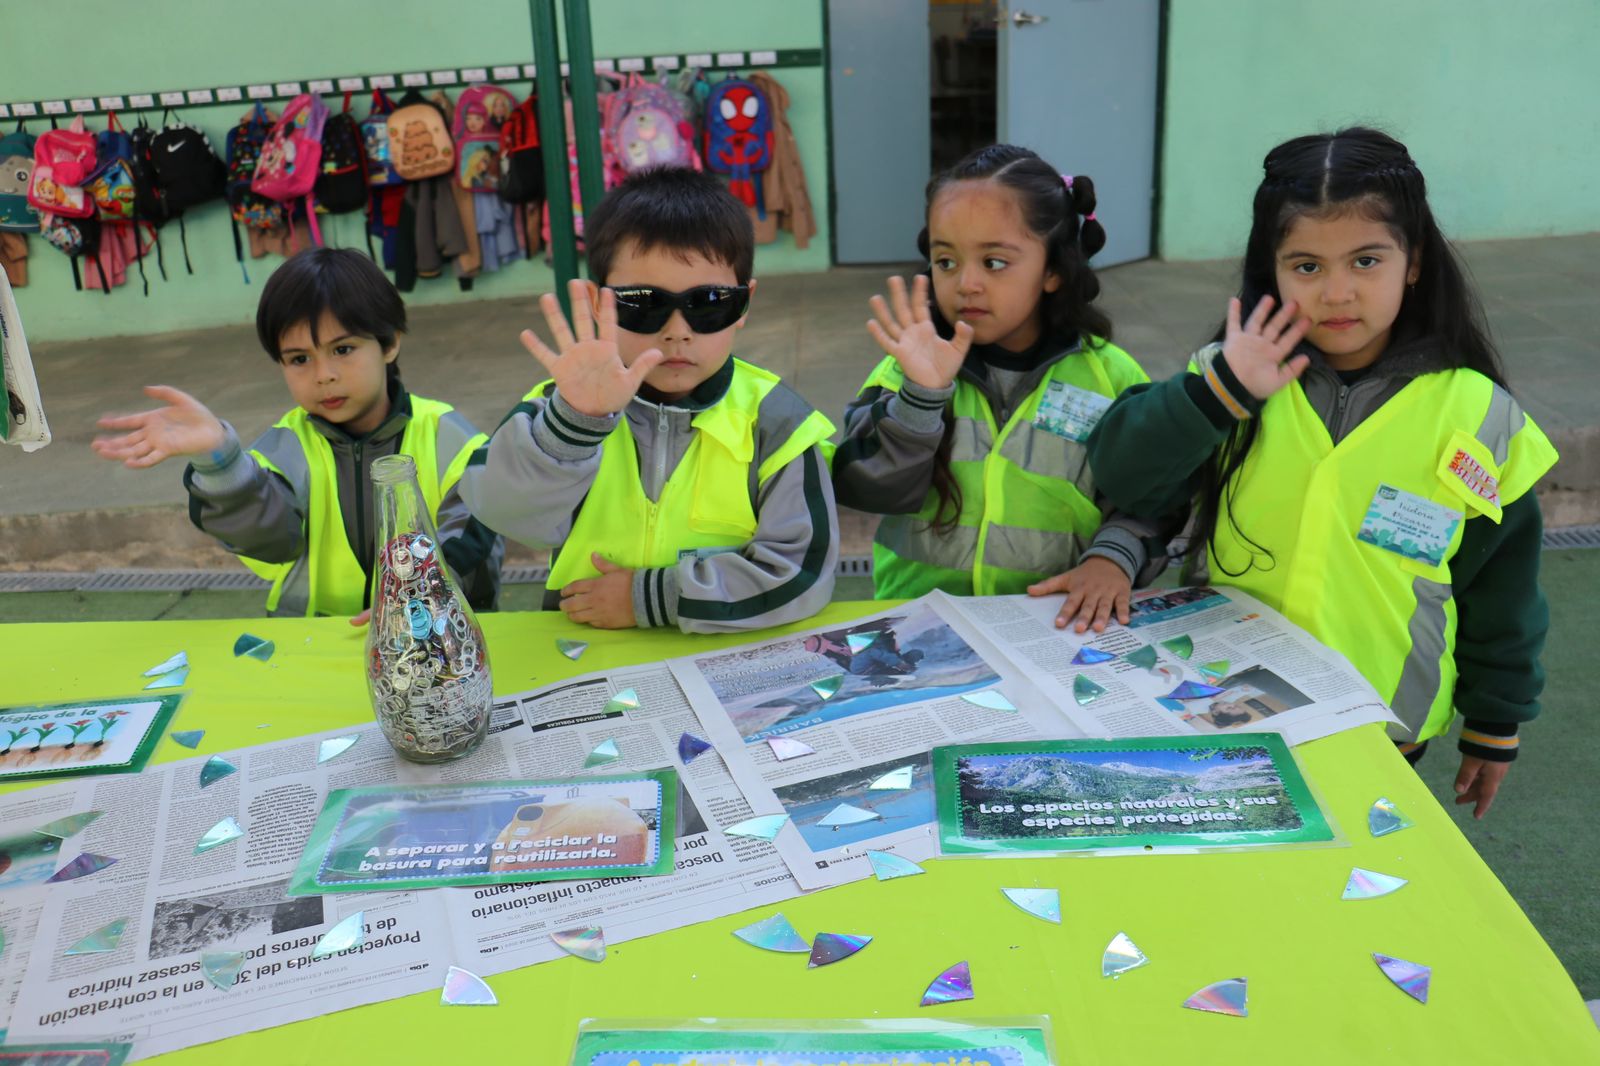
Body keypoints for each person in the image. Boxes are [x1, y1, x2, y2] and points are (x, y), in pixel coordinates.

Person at [1086, 128, 1557, 818]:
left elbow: (1503, 591)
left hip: (1383, 721)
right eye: (1306, 266)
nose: (1337, 293)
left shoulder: (1479, 412)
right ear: (1269, 270)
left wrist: (1496, 721)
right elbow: (1124, 474)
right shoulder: (1230, 376)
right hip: (1222, 703)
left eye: (1366, 260)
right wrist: (1216, 394)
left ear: (1415, 261)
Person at [461, 166, 837, 633]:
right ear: (602, 304)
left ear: (744, 303)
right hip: (584, 653)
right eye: (643, 303)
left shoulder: (779, 422)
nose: (677, 330)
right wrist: (575, 425)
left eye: (709, 302)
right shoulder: (563, 406)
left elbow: (802, 573)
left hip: (725, 657)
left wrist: (650, 597)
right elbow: (502, 512)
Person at [831, 144, 1164, 632]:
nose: (965, 283)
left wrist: (1112, 559)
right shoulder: (904, 369)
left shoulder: (1111, 378)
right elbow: (866, 489)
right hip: (920, 626)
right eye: (946, 261)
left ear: (1053, 269)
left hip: (1054, 624)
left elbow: (1153, 498)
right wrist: (921, 398)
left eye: (994, 262)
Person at [92, 247, 501, 619]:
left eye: (343, 350)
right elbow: (271, 542)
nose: (324, 375)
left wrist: (415, 600)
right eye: (299, 358)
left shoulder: (448, 437)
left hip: (439, 637)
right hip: (315, 641)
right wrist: (221, 462)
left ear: (390, 343)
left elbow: (471, 535)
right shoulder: (284, 448)